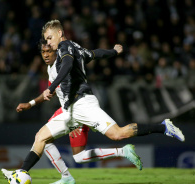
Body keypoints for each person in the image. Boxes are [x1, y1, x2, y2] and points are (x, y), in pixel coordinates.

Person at [2, 20, 184, 181]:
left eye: (49, 38)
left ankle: (164, 127)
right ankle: (23, 172)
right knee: (41, 137)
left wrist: (51, 87)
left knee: (117, 134)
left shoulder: (65, 48)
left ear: (59, 33)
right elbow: (96, 54)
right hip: (70, 110)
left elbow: (66, 66)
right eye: (46, 40)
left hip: (83, 103)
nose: (48, 42)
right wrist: (113, 51)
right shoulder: (77, 48)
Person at [14, 39, 143, 184]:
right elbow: (49, 93)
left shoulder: (63, 64)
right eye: (43, 52)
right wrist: (31, 104)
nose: (45, 55)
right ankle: (122, 152)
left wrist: (73, 122)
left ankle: (33, 172)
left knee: (42, 137)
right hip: (71, 110)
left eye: (48, 51)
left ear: (57, 50)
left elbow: (77, 64)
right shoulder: (52, 68)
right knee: (77, 156)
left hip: (79, 108)